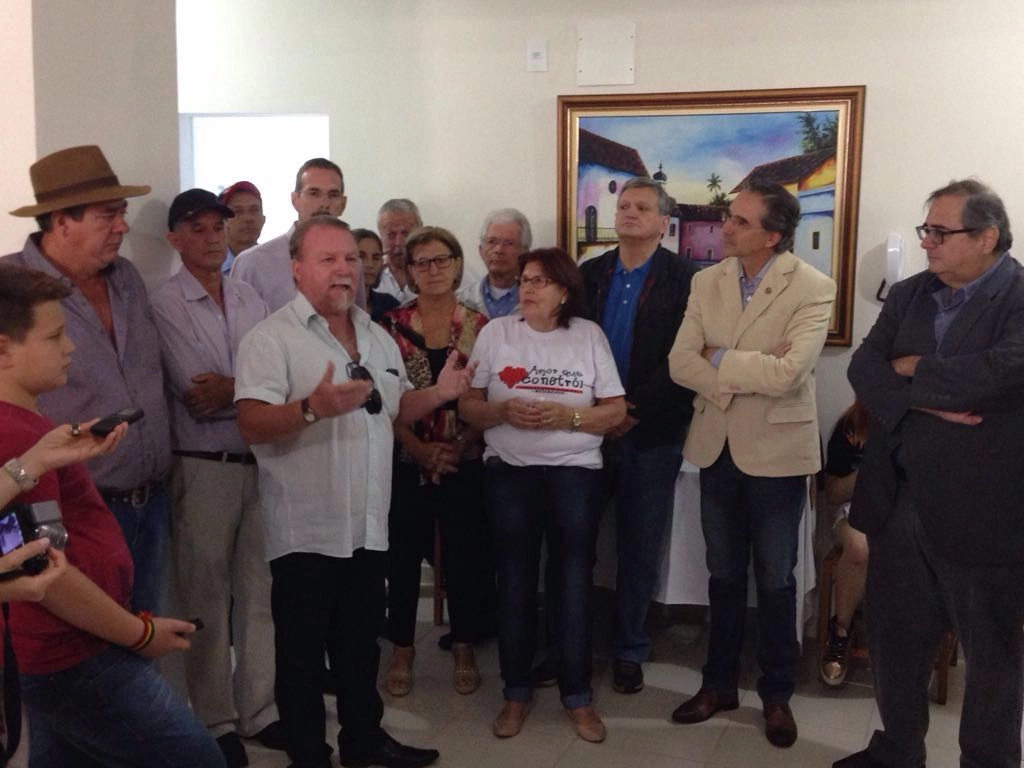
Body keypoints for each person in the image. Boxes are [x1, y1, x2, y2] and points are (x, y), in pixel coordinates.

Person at [235, 216, 472, 768]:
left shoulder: (376, 334)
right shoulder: (271, 339)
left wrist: (439, 392)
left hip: (368, 526)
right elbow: (250, 423)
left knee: (361, 646)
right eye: (327, 259)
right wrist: (314, 407)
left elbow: (393, 408)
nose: (344, 269)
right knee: (300, 657)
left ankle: (363, 743)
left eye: (349, 258)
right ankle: (308, 754)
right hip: (306, 529)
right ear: (297, 269)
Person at [0, 263, 223, 767]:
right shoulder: (12, 435)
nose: (71, 348)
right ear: (3, 348)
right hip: (69, 652)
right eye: (55, 336)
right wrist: (138, 633)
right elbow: (47, 571)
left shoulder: (28, 425)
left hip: (65, 648)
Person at [836, 179, 1024, 768]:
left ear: (987, 236)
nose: (927, 244)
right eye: (926, 231)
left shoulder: (1019, 297)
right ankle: (896, 751)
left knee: (991, 657)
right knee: (896, 643)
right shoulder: (913, 293)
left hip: (984, 508)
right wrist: (922, 398)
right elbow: (866, 366)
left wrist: (918, 370)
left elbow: (1004, 372)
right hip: (896, 500)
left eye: (941, 233)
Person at [667, 181, 836, 748]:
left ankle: (777, 695)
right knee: (723, 575)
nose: (725, 228)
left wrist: (719, 359)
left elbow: (790, 375)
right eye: (727, 218)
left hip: (778, 455)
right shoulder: (705, 280)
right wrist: (747, 367)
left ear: (772, 235)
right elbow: (679, 362)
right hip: (716, 447)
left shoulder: (813, 287)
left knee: (777, 579)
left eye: (738, 221)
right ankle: (718, 685)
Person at [460, 248, 626, 744]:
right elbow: (469, 406)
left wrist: (570, 418)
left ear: (563, 292)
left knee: (573, 581)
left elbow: (615, 411)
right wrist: (502, 412)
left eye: (540, 281)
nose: (528, 288)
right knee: (513, 579)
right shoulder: (496, 333)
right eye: (526, 279)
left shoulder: (588, 336)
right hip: (511, 471)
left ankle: (577, 697)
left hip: (575, 471)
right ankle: (516, 692)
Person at [4, 144, 172, 615]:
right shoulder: (10, 288)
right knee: (81, 646)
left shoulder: (128, 279)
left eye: (123, 212)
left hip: (152, 503)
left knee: (143, 630)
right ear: (61, 221)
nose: (123, 226)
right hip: (71, 509)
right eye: (109, 215)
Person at [152, 189, 282, 767]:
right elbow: (193, 392)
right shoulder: (164, 303)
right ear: (175, 238)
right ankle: (215, 718)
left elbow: (271, 381)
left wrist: (235, 388)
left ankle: (260, 710)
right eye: (197, 228)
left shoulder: (251, 297)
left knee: (259, 594)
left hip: (262, 460)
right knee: (204, 596)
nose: (211, 237)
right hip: (202, 467)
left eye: (217, 227)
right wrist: (246, 390)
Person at [579, 176, 699, 694]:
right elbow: (570, 347)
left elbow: (685, 358)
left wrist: (630, 410)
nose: (628, 213)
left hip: (652, 433)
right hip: (586, 433)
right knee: (574, 544)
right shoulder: (588, 275)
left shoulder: (688, 279)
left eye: (641, 207)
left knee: (638, 547)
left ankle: (629, 648)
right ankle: (570, 644)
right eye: (623, 205)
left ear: (663, 222)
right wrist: (601, 410)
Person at [377, 226, 492, 698]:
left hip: (464, 457)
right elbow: (383, 399)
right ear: (408, 271)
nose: (433, 270)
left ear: (458, 264)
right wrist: (418, 448)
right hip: (406, 455)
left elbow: (490, 395)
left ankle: (464, 643)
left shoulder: (482, 326)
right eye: (422, 262)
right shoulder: (386, 326)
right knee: (401, 557)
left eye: (442, 260)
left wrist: (459, 446)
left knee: (466, 557)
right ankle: (403, 646)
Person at [231, 158, 349, 312]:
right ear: (295, 200)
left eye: (333, 195)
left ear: (343, 204)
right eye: (314, 193)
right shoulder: (253, 263)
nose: (324, 204)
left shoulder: (351, 263)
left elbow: (356, 326)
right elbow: (240, 330)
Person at [819, 401, 869, 687]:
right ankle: (840, 632)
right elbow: (833, 494)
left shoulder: (924, 418)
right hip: (854, 508)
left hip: (907, 510)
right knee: (859, 548)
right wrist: (869, 468)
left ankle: (913, 643)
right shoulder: (851, 424)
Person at [457, 208, 531, 319]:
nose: (499, 250)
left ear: (525, 252)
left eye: (509, 243)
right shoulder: (460, 301)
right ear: (481, 250)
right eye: (492, 241)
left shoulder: (538, 301)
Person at [375, 199, 420, 305]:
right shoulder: (369, 275)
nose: (399, 242)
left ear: (420, 230)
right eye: (391, 235)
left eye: (406, 233)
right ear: (380, 236)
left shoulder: (443, 270)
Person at [219, 180, 266, 275]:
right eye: (238, 211)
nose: (248, 218)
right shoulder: (210, 269)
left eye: (254, 210)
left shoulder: (277, 265)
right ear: (223, 222)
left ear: (263, 219)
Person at [353, 228, 399, 320]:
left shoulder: (389, 305)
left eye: (376, 258)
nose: (369, 264)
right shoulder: (334, 305)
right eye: (361, 256)